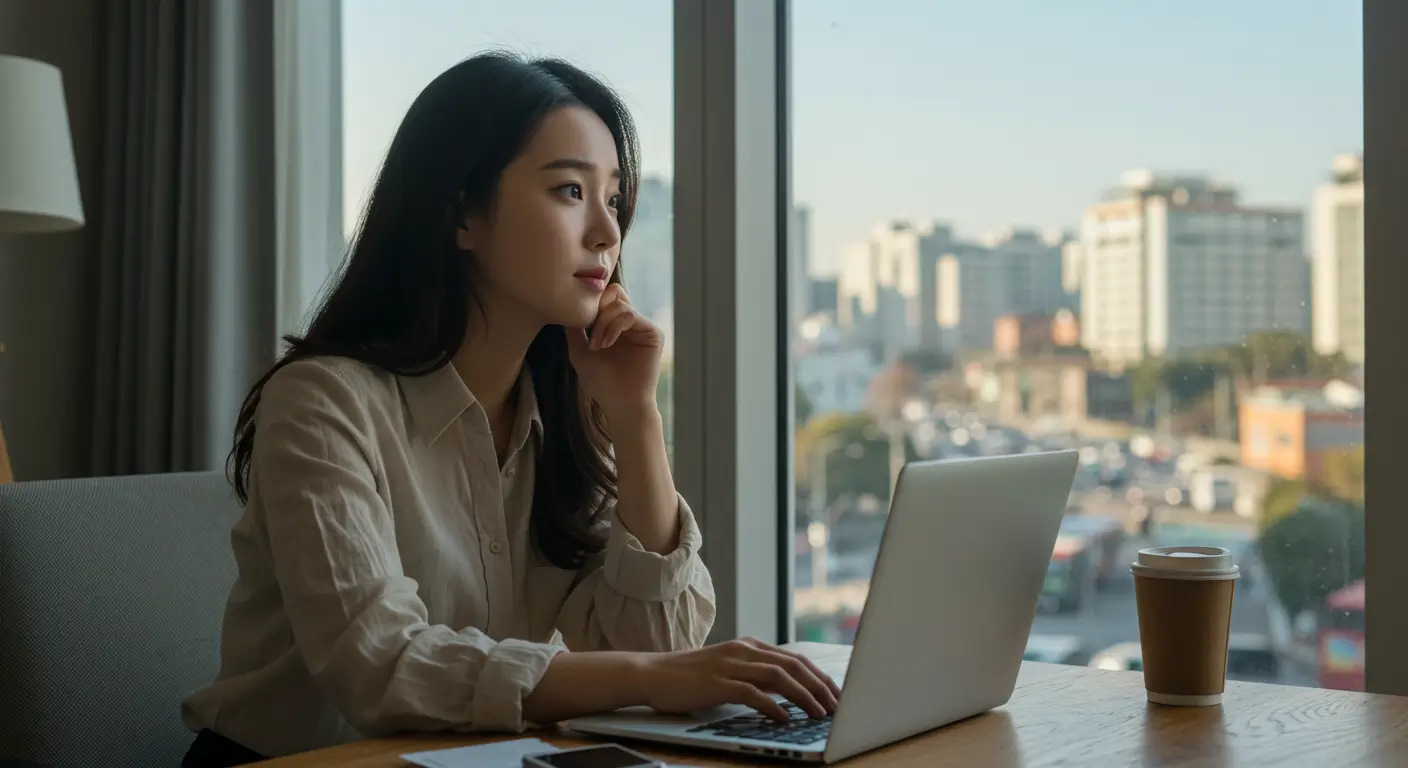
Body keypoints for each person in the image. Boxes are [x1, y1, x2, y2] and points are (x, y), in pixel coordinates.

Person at [179, 51, 839, 767]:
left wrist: (636, 414)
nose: (607, 233)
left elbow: (657, 645)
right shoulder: (324, 402)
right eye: (568, 191)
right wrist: (658, 679)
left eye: (613, 199)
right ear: (461, 213)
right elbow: (380, 664)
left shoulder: (567, 416)